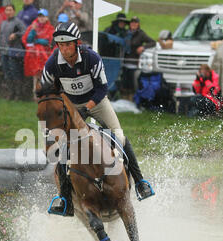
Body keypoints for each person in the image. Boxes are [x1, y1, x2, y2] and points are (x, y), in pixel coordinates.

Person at [41, 22, 154, 215]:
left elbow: (102, 88)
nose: (64, 49)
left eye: (68, 44)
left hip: (97, 102)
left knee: (120, 136)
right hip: (72, 106)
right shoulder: (53, 63)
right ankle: (65, 199)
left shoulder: (91, 58)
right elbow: (46, 89)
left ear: (77, 43)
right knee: (63, 148)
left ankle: (140, 182)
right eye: (60, 45)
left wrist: (87, 108)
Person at [0, 4, 26, 100]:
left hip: (14, 52)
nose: (8, 12)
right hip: (3, 52)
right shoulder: (3, 23)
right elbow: (0, 38)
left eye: (10, 10)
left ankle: (18, 94)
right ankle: (11, 93)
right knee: (7, 74)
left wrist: (16, 34)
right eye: (7, 10)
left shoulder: (18, 22)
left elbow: (25, 31)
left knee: (15, 73)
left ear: (14, 11)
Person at [22, 8, 54, 98]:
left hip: (45, 57)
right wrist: (33, 31)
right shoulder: (33, 26)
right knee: (35, 77)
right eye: (40, 16)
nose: (41, 18)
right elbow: (28, 40)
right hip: (34, 57)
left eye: (43, 16)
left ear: (47, 18)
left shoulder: (50, 28)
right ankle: (35, 95)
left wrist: (38, 41)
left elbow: (49, 42)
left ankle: (46, 94)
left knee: (45, 76)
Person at [122, 16, 156, 98]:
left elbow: (153, 42)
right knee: (124, 81)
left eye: (135, 22)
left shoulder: (141, 34)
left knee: (132, 81)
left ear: (138, 24)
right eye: (132, 22)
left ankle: (132, 98)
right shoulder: (125, 33)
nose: (133, 24)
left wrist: (143, 47)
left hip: (134, 62)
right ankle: (123, 97)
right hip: (124, 61)